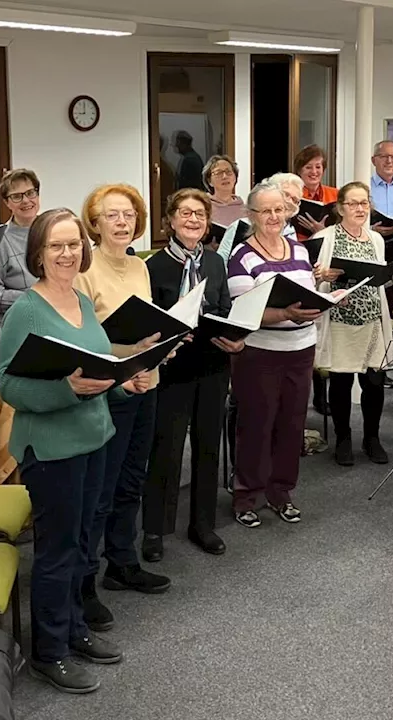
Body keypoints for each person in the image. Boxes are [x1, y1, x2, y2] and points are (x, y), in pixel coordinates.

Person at [0, 208, 144, 694]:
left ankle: (75, 628)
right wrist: (67, 391)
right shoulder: (27, 310)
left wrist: (124, 383)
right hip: (52, 448)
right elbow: (9, 386)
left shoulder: (79, 298)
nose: (67, 253)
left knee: (83, 542)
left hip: (94, 437)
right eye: (56, 246)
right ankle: (49, 651)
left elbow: (96, 369)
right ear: (38, 253)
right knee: (58, 550)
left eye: (74, 244)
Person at [75, 183, 171, 632]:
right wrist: (129, 356)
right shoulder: (84, 270)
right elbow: (85, 342)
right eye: (111, 215)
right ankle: (84, 582)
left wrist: (157, 350)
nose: (121, 222)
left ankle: (121, 562)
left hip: (145, 382)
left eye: (128, 214)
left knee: (132, 479)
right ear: (94, 223)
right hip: (110, 389)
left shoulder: (140, 265)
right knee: (101, 488)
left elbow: (145, 328)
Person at [141, 189, 242, 561]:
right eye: (185, 213)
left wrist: (237, 338)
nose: (194, 220)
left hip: (214, 364)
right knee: (165, 449)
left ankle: (203, 524)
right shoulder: (153, 267)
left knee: (208, 445)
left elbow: (225, 308)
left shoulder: (216, 262)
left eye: (200, 214)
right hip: (172, 369)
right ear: (170, 219)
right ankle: (155, 529)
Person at [226, 182, 330, 528]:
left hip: (301, 350)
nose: (274, 216)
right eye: (265, 210)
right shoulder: (242, 257)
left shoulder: (299, 250)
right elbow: (243, 312)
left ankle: (281, 491)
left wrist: (322, 303)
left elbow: (309, 295)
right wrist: (285, 314)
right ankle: (246, 494)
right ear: (251, 215)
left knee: (291, 424)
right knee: (256, 425)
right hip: (260, 355)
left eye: (279, 209)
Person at [313, 182, 393, 466]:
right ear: (340, 208)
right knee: (342, 381)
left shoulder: (376, 239)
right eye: (353, 203)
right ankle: (343, 438)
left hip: (371, 318)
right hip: (339, 320)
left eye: (364, 203)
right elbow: (312, 279)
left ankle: (372, 438)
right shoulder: (326, 237)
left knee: (373, 381)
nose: (360, 209)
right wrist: (323, 276)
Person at [0, 169, 42, 343]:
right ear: (7, 203)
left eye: (30, 193)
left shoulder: (53, 231)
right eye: (17, 196)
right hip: (15, 331)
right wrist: (34, 299)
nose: (26, 200)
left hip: (53, 323)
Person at [293, 144, 337, 238]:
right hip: (299, 246)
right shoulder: (291, 195)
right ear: (299, 171)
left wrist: (323, 231)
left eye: (318, 167)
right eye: (308, 167)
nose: (314, 172)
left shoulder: (336, 194)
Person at [203, 155, 245, 229]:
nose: (224, 176)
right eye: (218, 173)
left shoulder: (245, 209)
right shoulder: (203, 206)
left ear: (235, 177)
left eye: (228, 172)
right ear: (210, 181)